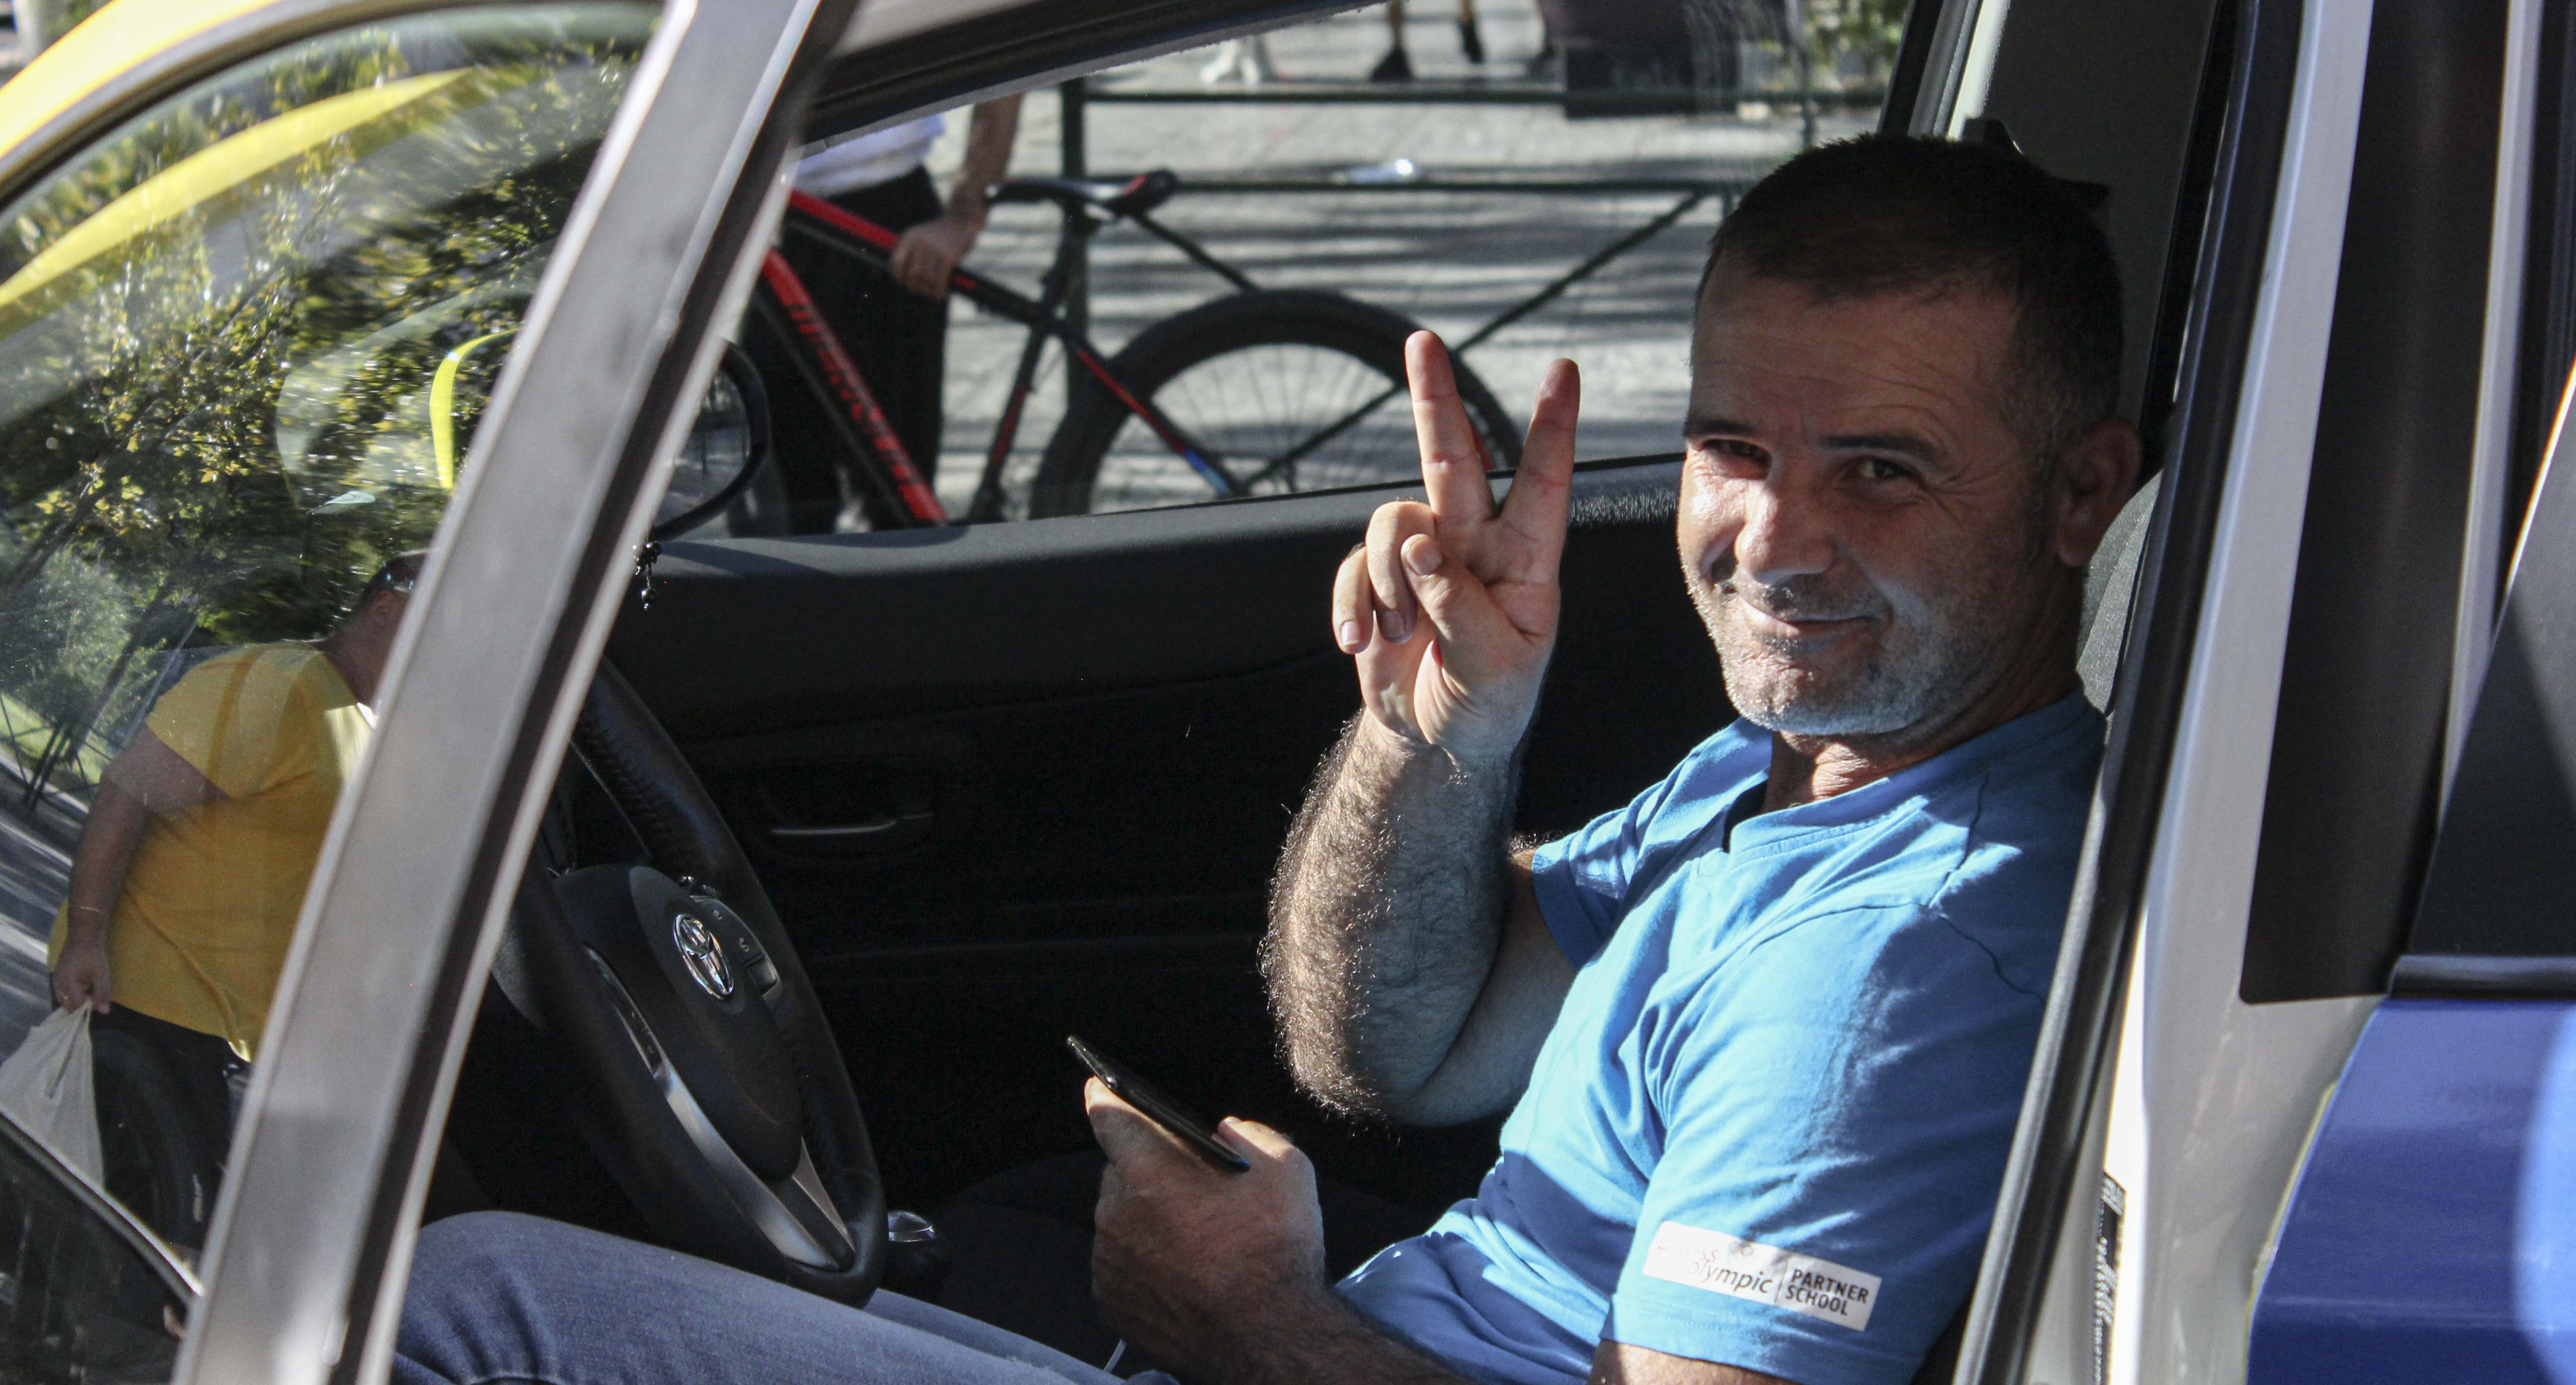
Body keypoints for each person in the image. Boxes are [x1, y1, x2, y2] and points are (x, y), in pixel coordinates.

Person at [395, 134, 2142, 1385]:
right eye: (1733, 447)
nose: (1771, 539)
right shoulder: (1783, 775)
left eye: (1880, 472)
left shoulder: (1900, 962)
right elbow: (1393, 1045)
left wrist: (1251, 1329)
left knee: (457, 1312)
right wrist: (1436, 734)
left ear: (2081, 494)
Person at [709, 0, 1024, 528]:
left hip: (881, 228)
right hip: (775, 228)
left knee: (897, 507)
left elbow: (1001, 55)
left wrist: (962, 217)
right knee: (780, 501)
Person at [51, 554, 421, 1180]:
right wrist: (87, 935)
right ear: (387, 609)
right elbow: (128, 791)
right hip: (147, 1011)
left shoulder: (358, 718)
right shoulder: (283, 685)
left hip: (216, 1037)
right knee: (116, 1240)